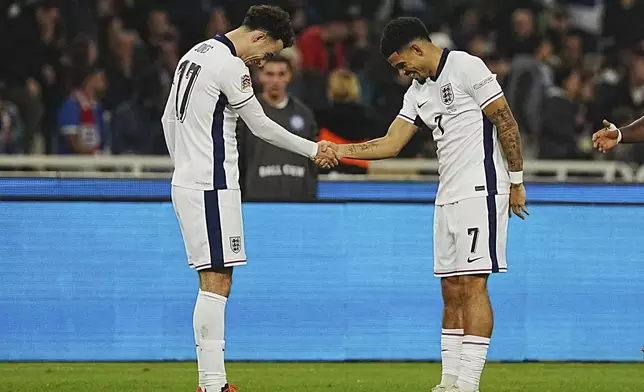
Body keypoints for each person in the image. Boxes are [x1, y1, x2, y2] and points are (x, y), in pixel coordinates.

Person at [322, 17, 528, 392]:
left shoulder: (466, 66)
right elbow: (390, 143)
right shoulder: (418, 91)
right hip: (446, 194)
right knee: (450, 289)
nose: (403, 72)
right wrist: (340, 150)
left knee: (473, 285)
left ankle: (468, 384)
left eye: (403, 64)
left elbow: (505, 121)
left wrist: (516, 180)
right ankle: (448, 382)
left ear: (417, 48)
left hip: (480, 188)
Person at [160, 5, 338, 392]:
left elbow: (167, 120)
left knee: (216, 277)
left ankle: (214, 382)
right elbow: (260, 125)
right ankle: (211, 384)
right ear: (258, 36)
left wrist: (184, 166)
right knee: (216, 280)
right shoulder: (231, 66)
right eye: (268, 52)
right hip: (212, 184)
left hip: (192, 180)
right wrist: (313, 150)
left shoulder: (195, 54)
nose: (263, 61)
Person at [237, 55, 319, 201]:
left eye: (281, 74)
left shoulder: (304, 114)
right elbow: (238, 156)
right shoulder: (246, 113)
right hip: (257, 197)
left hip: (299, 197)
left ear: (290, 76)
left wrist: (311, 191)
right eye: (270, 74)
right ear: (259, 76)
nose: (275, 80)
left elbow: (313, 160)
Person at [57, 65, 108, 154]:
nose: (106, 83)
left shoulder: (98, 107)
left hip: (97, 161)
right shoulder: (71, 105)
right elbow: (73, 143)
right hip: (74, 164)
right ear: (90, 80)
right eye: (102, 78)